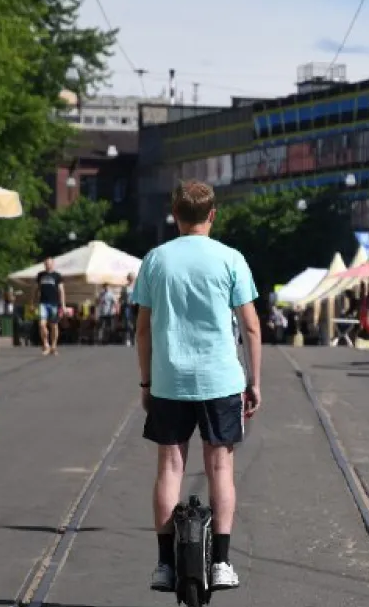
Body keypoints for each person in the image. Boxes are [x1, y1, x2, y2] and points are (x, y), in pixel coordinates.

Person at [135, 180, 262, 592]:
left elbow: (142, 331)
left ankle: (162, 565)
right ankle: (222, 563)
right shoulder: (231, 259)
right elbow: (252, 328)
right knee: (220, 467)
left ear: (175, 214)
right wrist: (253, 382)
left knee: (169, 467)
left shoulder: (156, 260)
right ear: (213, 214)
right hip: (221, 379)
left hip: (170, 380)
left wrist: (147, 381)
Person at [33, 257, 65, 356]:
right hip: (43, 303)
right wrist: (33, 302)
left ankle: (54, 346)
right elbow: (36, 290)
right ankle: (46, 344)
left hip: (54, 303)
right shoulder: (40, 275)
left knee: (54, 326)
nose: (48, 265)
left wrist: (63, 304)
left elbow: (61, 291)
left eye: (49, 263)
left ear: (53, 264)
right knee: (42, 324)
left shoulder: (57, 276)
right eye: (46, 263)